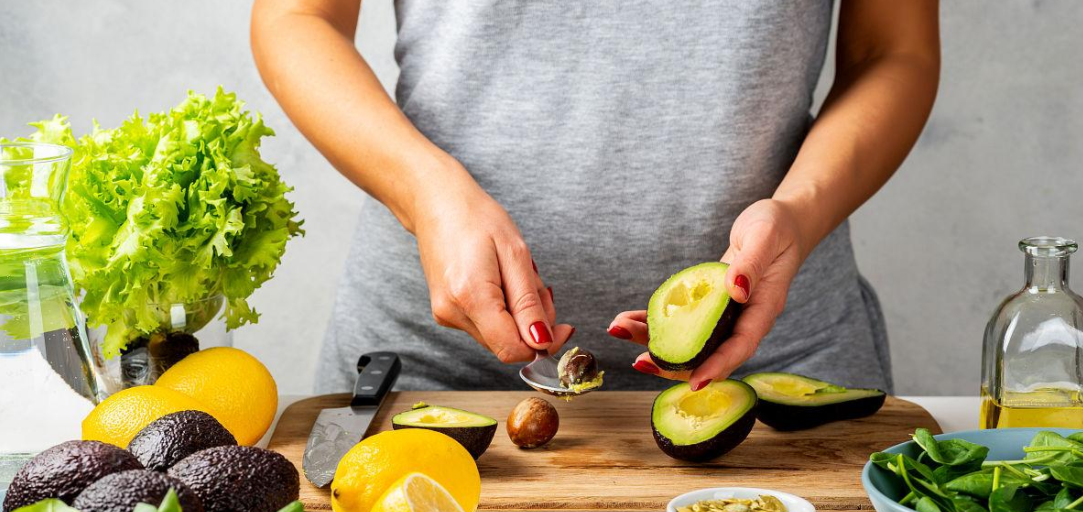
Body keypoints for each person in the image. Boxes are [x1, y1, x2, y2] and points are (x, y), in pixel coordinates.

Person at [252, 1, 940, 392]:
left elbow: (892, 51)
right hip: (427, 360)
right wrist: (422, 190)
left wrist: (801, 208)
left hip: (778, 364)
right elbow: (295, 17)